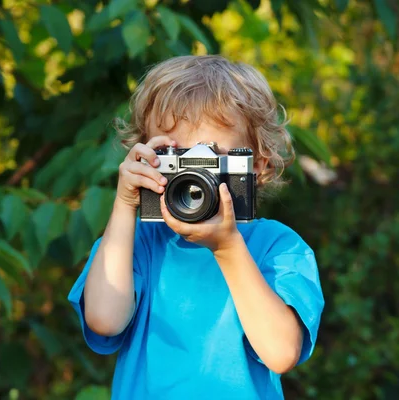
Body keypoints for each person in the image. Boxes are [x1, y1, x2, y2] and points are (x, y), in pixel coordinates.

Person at [68, 55, 325, 399]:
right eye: (179, 157)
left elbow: (281, 353)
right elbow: (104, 320)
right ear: (145, 156)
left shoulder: (277, 248)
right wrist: (125, 204)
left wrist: (228, 247)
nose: (195, 174)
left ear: (257, 166)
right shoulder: (136, 242)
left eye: (210, 157)